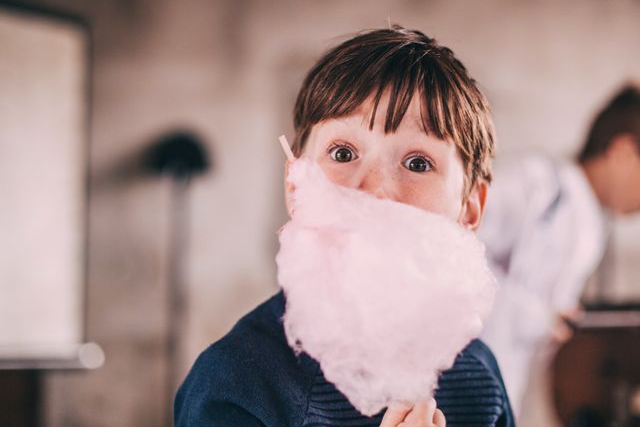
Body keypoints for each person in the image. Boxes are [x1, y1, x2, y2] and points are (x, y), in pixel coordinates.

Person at [174, 26, 514, 427]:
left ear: (470, 208)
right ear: (296, 185)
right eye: (343, 152)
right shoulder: (236, 383)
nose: (376, 190)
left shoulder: (481, 375)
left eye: (418, 163)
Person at [478, 84, 640, 417]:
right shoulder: (535, 183)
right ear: (624, 150)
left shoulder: (591, 225)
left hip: (503, 387)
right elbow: (455, 251)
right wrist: (537, 315)